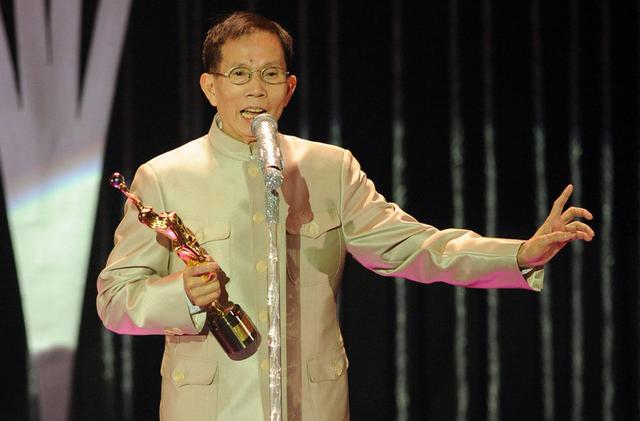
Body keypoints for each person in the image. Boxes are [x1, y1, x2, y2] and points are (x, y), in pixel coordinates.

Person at [96, 11, 594, 421]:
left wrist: (519, 254)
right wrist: (180, 295)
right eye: (239, 74)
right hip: (210, 408)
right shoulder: (165, 177)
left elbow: (410, 246)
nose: (256, 90)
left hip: (313, 405)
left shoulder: (329, 168)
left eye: (271, 74)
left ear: (290, 87)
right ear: (210, 87)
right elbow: (115, 300)